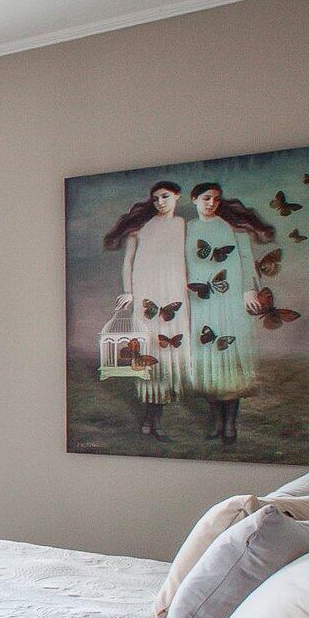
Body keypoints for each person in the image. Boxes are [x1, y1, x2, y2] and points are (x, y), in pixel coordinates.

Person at [184, 181, 276, 442]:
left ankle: (230, 425)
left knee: (230, 359)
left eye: (215, 199)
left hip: (230, 299)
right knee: (208, 358)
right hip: (202, 302)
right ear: (194, 199)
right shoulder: (187, 229)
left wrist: (248, 290)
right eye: (206, 198)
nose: (211, 203)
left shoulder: (233, 227)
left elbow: (246, 260)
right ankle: (216, 422)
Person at [104, 180, 188, 438]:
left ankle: (154, 418)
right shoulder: (140, 228)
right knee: (148, 354)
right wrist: (129, 291)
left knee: (167, 354)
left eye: (165, 196)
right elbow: (128, 263)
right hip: (147, 296)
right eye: (156, 198)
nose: (160, 202)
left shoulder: (182, 225)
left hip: (174, 296)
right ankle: (151, 419)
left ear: (177, 196)